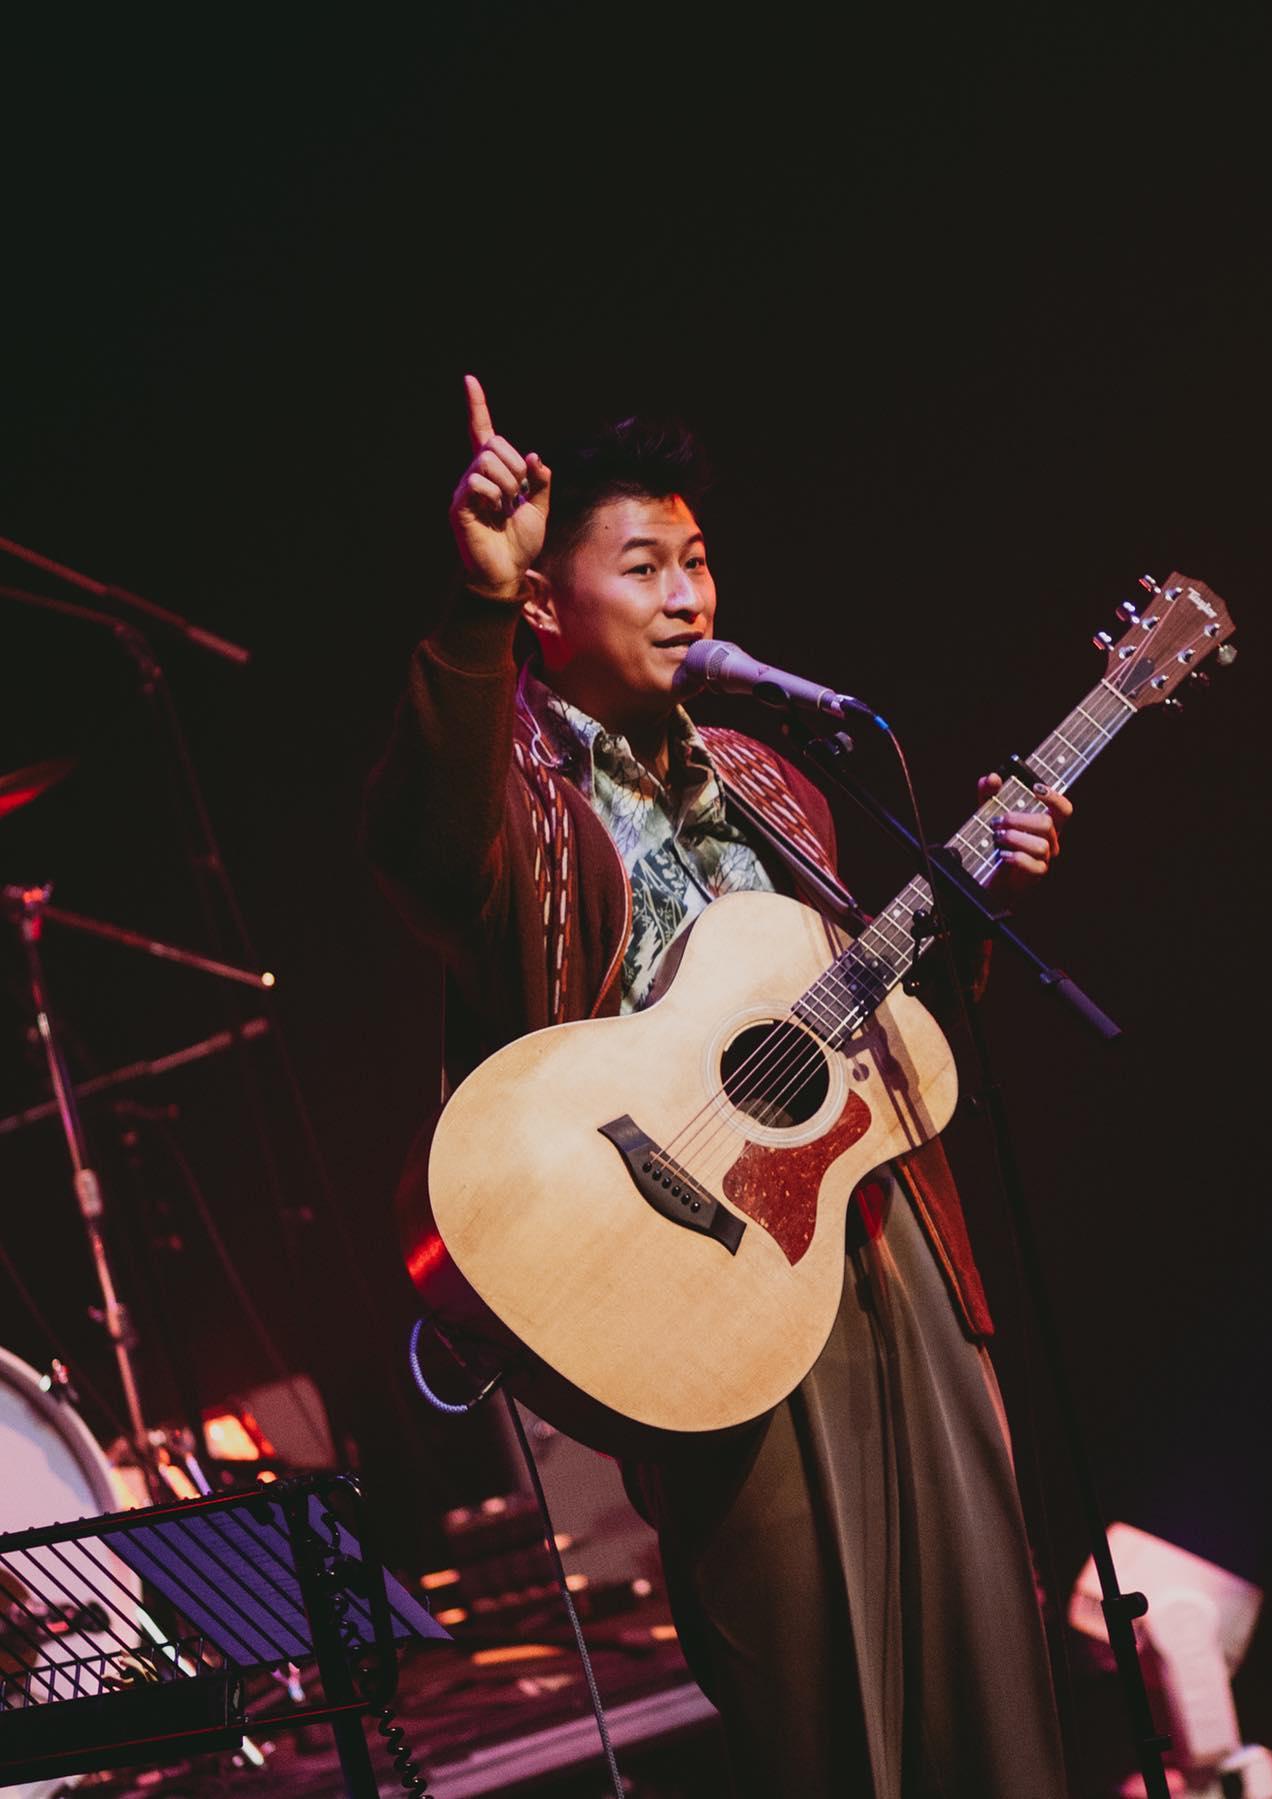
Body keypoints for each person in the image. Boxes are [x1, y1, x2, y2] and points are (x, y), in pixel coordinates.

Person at [366, 377, 1073, 1797]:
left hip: (880, 1247)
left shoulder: (768, 774)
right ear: (549, 603)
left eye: (696, 562)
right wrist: (474, 605)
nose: (688, 596)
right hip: (700, 1290)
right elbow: (427, 853)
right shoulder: (514, 784)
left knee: (986, 1646)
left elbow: (876, 1040)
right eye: (643, 568)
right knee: (819, 1700)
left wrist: (974, 904)